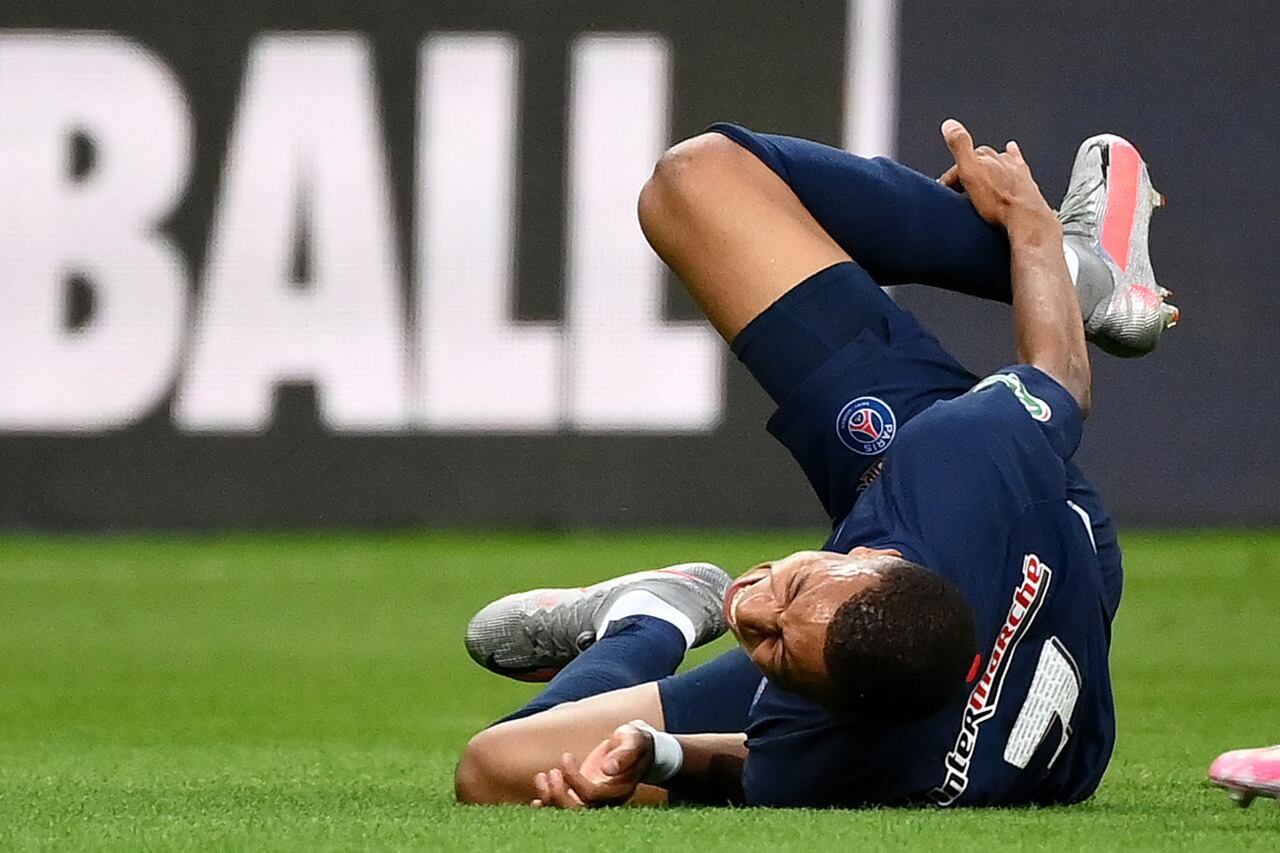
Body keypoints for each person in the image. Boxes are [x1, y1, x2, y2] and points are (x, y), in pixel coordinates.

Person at [453, 116, 1178, 808]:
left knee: (501, 766)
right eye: (795, 588)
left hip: (935, 638)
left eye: (770, 650)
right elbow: (1061, 371)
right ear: (870, 559)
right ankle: (1089, 268)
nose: (747, 606)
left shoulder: (841, 731)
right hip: (1038, 533)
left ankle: (649, 616)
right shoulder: (961, 459)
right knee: (696, 181)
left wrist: (655, 753)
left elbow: (758, 763)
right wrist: (1031, 225)